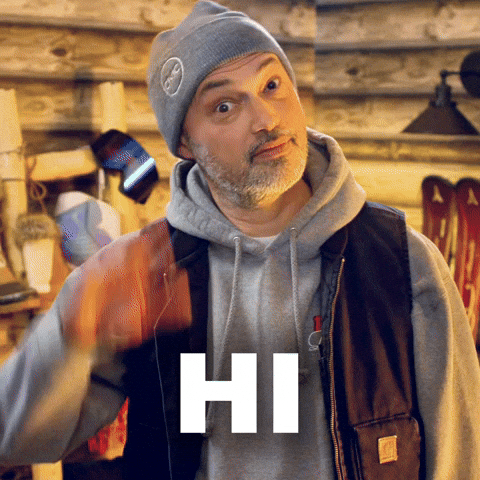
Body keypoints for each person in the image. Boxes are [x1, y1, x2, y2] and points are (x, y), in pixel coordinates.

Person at [1, 1, 479, 479]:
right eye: (225, 106)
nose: (266, 118)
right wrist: (70, 337)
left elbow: (459, 456)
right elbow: (14, 437)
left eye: (271, 85)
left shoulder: (402, 261)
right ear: (185, 143)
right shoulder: (137, 271)